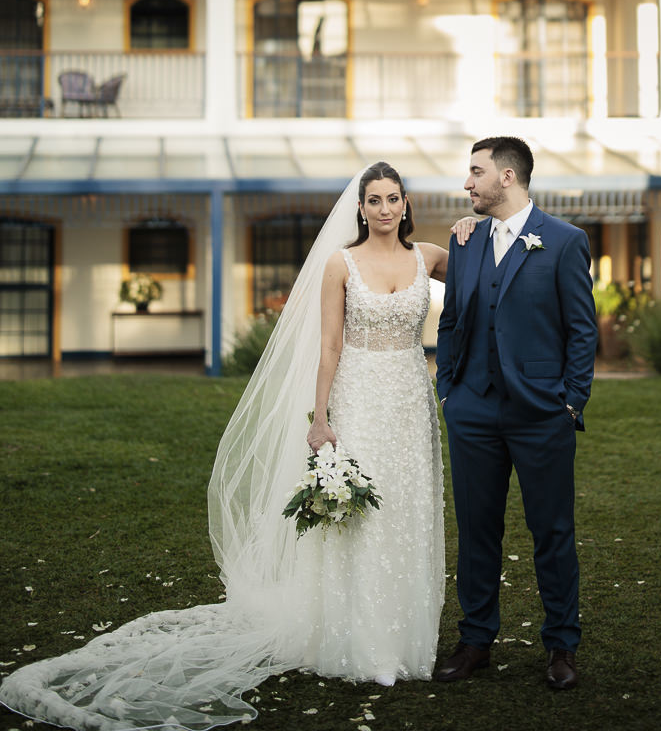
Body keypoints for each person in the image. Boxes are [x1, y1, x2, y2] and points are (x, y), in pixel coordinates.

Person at [0, 162, 457, 730]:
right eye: (374, 200)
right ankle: (361, 642)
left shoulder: (430, 257)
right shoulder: (341, 264)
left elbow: (486, 268)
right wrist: (320, 417)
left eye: (393, 198)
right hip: (358, 397)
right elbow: (330, 346)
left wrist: (468, 227)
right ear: (360, 208)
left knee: (407, 511)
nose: (385, 209)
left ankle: (406, 638)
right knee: (356, 519)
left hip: (410, 403)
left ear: (406, 204)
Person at [435, 136, 598, 692]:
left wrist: (571, 401)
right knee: (476, 529)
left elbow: (581, 329)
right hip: (473, 410)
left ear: (507, 177)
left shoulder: (565, 241)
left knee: (552, 531)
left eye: (476, 172)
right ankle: (475, 639)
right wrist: (449, 390)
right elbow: (451, 321)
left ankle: (562, 645)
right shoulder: (465, 240)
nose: (467, 183)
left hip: (542, 413)